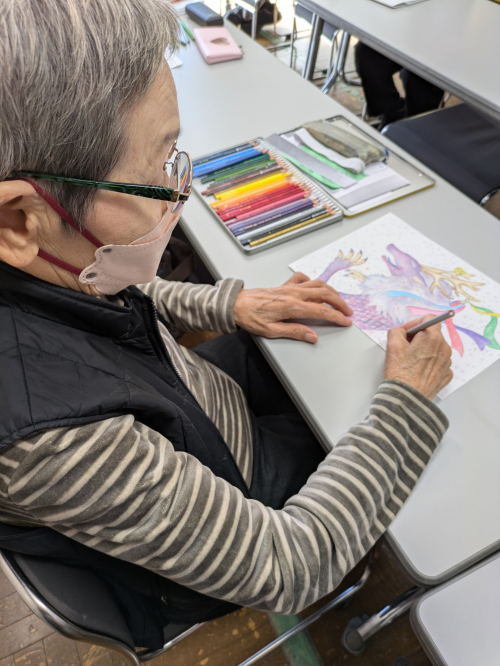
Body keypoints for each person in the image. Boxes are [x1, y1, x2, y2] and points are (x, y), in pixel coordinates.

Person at [0, 0, 452, 648]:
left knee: (332, 359)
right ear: (20, 220)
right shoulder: (52, 439)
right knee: (422, 439)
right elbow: (292, 564)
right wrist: (407, 402)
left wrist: (228, 305)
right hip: (241, 494)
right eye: (158, 170)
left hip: (193, 403)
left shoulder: (46, 265)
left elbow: (108, 288)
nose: (177, 194)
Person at [355, 42, 445, 129]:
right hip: (409, 41)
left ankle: (415, 127)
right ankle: (392, 112)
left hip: (437, 49)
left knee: (415, 74)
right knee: (366, 51)